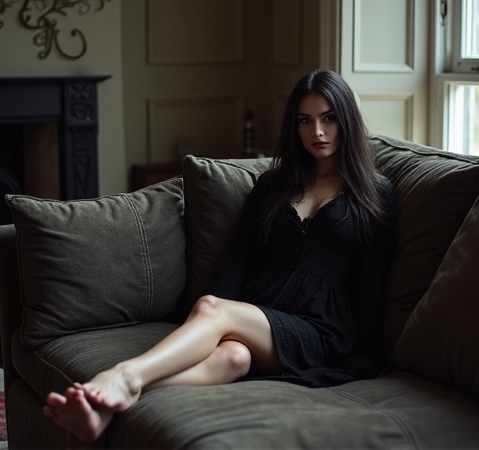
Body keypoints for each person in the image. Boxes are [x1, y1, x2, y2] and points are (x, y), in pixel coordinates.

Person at [43, 69, 396, 445]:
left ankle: (122, 377)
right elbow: (238, 258)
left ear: (346, 120)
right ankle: (105, 408)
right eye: (305, 121)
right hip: (264, 311)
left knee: (215, 308)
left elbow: (371, 283)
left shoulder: (375, 193)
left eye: (329, 118)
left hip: (319, 328)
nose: (317, 133)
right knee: (232, 359)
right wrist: (198, 323)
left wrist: (365, 356)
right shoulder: (274, 184)